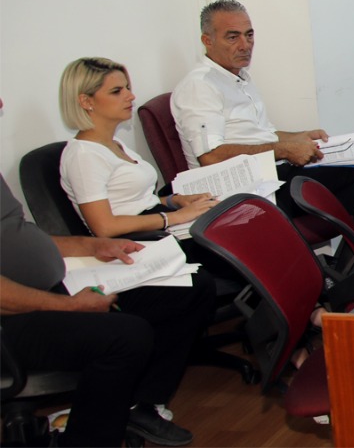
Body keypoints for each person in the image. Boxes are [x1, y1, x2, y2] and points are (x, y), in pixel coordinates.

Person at [1, 183, 212, 446]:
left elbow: (16, 235)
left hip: (52, 287)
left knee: (189, 287)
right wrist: (71, 306)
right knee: (125, 337)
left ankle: (138, 405)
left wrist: (92, 245)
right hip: (9, 322)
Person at [169, 0, 354, 215]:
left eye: (249, 35)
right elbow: (210, 157)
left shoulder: (239, 77)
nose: (245, 45)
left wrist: (299, 137)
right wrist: (284, 150)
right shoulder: (200, 85)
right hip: (240, 189)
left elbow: (261, 135)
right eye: (233, 37)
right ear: (207, 40)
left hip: (268, 173)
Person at [57, 57, 218, 238]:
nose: (130, 96)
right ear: (86, 101)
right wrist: (175, 217)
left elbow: (135, 203)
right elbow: (104, 227)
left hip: (160, 225)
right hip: (143, 240)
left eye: (127, 88)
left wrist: (176, 201)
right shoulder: (84, 155)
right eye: (116, 91)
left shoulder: (114, 143)